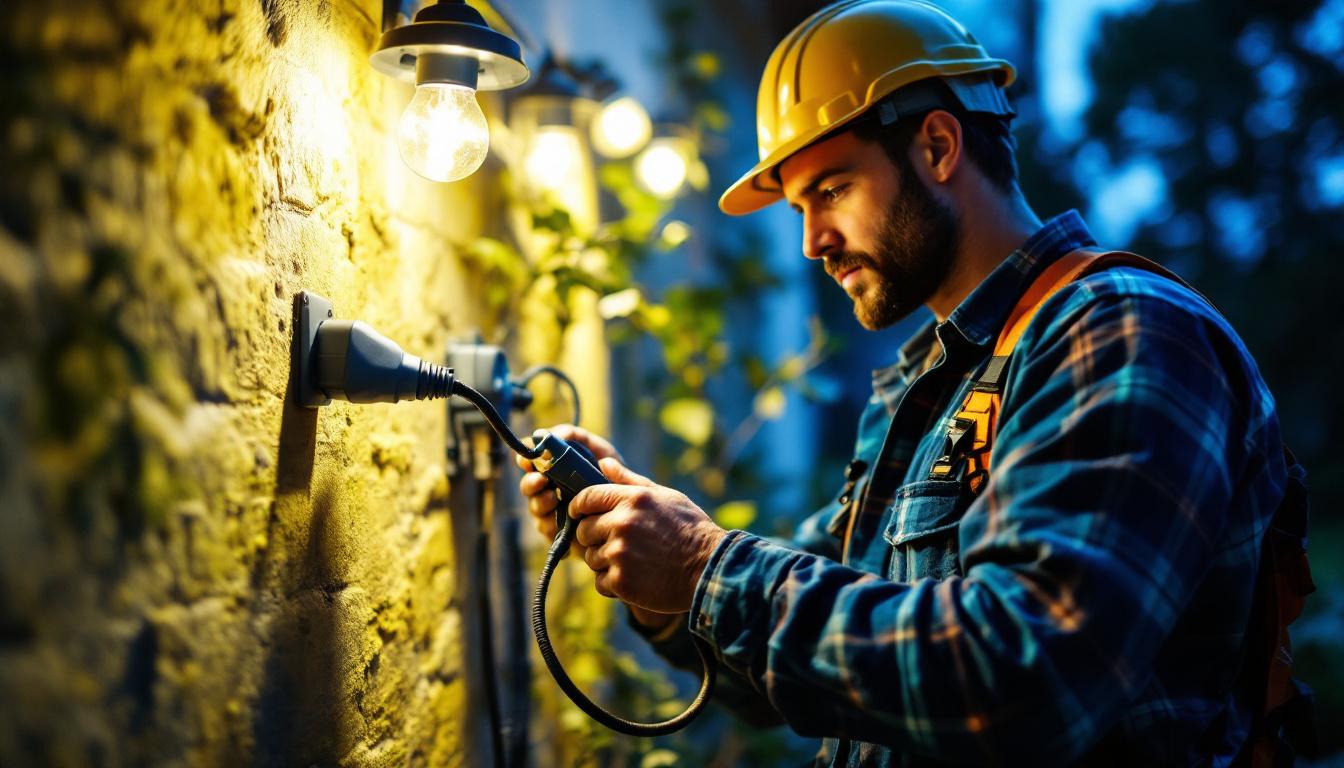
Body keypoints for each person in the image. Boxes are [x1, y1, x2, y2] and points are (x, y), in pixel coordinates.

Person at [516, 1, 1307, 764]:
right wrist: (657, 571)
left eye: (831, 191)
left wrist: (703, 565)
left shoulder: (1121, 332)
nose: (812, 242)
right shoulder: (926, 386)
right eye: (799, 208)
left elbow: (1031, 681)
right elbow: (819, 659)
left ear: (936, 147)